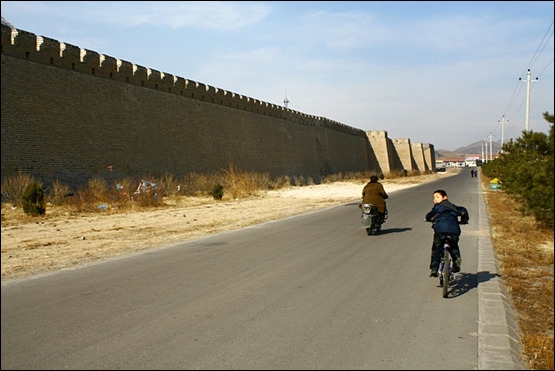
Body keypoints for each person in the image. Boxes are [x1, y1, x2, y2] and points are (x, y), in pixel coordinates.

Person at [425, 189, 467, 277]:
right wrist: (464, 220)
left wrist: (428, 219)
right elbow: (463, 211)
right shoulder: (453, 207)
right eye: (434, 198)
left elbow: (429, 215)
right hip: (454, 231)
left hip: (440, 231)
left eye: (437, 197)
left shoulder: (437, 207)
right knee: (454, 247)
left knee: (436, 249)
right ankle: (456, 260)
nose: (435, 199)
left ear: (445, 197)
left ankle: (434, 269)